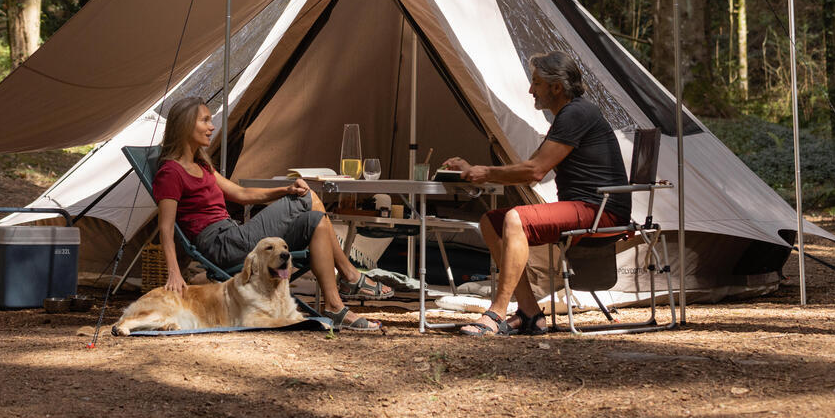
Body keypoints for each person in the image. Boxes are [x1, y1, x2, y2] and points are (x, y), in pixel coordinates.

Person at [152, 95, 392, 331]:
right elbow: (166, 227)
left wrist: (285, 190)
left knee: (316, 220)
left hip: (235, 236)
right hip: (221, 245)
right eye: (205, 120)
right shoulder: (171, 172)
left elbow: (242, 194)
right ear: (185, 125)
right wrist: (174, 272)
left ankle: (335, 306)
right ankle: (350, 275)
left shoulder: (202, 166)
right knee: (308, 197)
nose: (212, 127)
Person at [443, 51, 630, 336]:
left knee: (516, 218)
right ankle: (530, 312)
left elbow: (534, 172)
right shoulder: (569, 115)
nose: (531, 90)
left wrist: (484, 172)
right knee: (492, 221)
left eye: (537, 83)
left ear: (557, 86)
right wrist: (475, 170)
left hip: (601, 211)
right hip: (586, 207)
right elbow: (528, 168)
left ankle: (496, 312)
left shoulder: (577, 113)